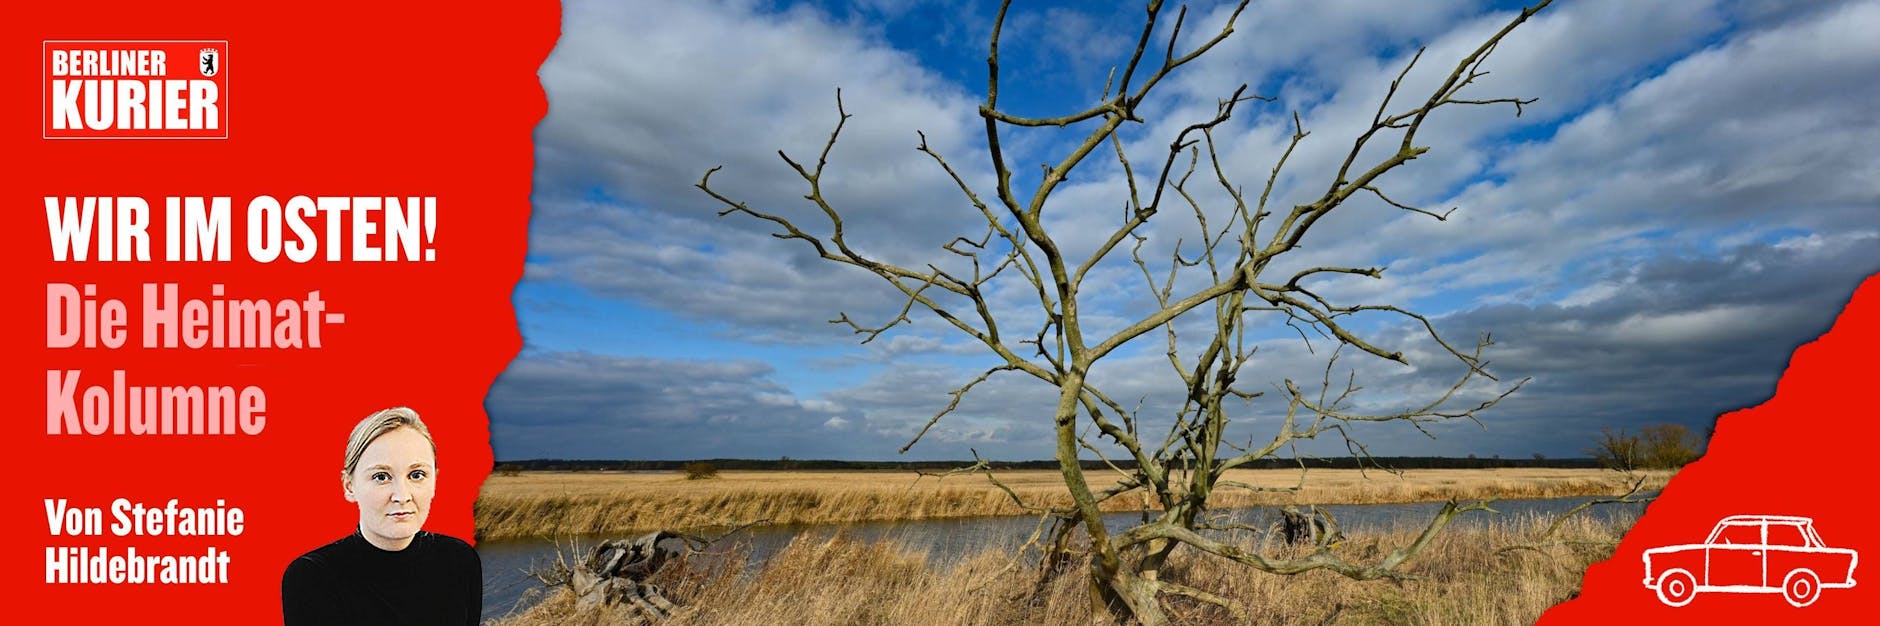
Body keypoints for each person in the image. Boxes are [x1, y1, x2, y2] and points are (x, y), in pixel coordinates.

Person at [282, 407, 481, 625]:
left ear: (435, 481)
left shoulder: (460, 560)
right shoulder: (313, 577)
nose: (402, 496)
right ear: (349, 486)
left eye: (417, 475)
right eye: (381, 476)